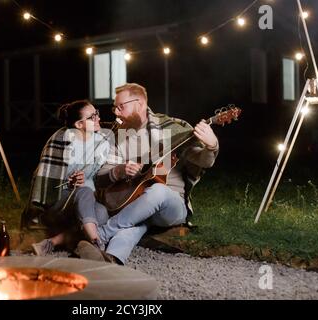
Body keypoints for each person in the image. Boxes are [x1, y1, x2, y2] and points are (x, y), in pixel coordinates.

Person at [93, 83, 219, 265]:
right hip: (134, 204)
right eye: (115, 108)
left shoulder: (171, 129)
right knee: (134, 224)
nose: (116, 113)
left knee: (158, 191)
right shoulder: (120, 135)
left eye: (121, 107)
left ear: (141, 104)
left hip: (170, 208)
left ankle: (101, 235)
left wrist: (212, 145)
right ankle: (113, 258)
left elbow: (204, 161)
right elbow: (101, 177)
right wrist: (119, 170)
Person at [26, 100, 111, 259]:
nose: (98, 118)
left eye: (97, 113)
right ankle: (96, 244)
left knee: (102, 214)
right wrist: (70, 182)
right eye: (92, 117)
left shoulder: (102, 142)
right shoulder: (62, 140)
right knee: (84, 191)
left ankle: (51, 243)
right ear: (79, 124)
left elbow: (98, 175)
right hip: (56, 204)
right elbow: (48, 182)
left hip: (83, 204)